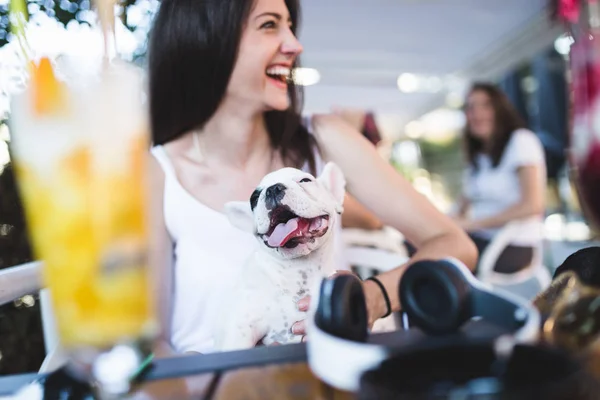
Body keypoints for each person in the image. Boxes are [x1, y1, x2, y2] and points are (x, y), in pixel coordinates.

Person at [147, 0, 477, 357]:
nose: (294, 44)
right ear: (207, 38)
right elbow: (150, 341)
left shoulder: (325, 138)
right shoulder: (156, 172)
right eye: (269, 25)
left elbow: (457, 245)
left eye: (289, 24)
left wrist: (373, 296)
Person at [454, 82, 546, 274]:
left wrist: (472, 224)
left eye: (485, 105)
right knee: (420, 248)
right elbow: (459, 209)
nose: (477, 113)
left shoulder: (521, 140)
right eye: (470, 107)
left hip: (513, 246)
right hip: (482, 239)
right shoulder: (478, 157)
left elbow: (532, 205)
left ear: (499, 109)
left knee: (438, 262)